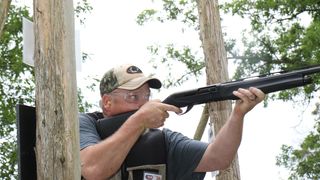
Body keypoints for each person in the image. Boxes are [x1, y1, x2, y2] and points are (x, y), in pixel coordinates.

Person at [79, 64, 265, 180]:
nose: (143, 103)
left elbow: (218, 157)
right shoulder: (83, 125)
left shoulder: (163, 141)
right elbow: (93, 170)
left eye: (146, 96)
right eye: (133, 96)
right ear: (107, 102)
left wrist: (238, 115)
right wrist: (138, 121)